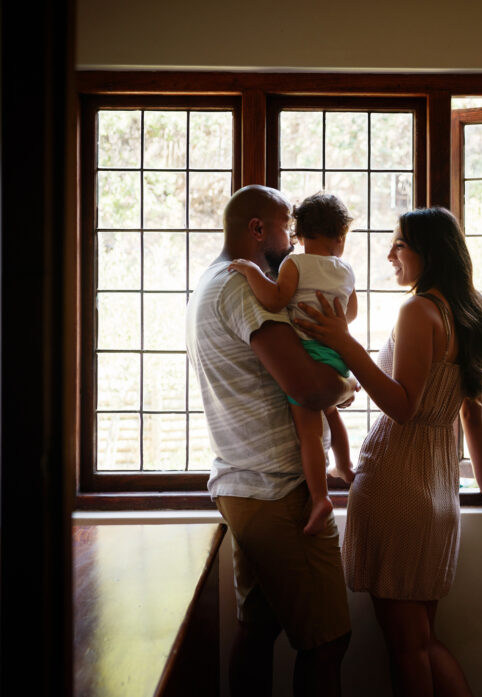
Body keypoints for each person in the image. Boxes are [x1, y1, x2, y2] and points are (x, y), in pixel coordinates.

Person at [295, 207, 482, 697]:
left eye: (398, 245)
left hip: (398, 485)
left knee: (406, 647)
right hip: (440, 491)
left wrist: (344, 342)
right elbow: (476, 413)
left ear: (429, 251)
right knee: (422, 639)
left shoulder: (418, 311)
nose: (389, 255)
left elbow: (402, 406)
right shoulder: (469, 314)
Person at [185, 184, 355, 697]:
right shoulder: (241, 287)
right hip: (278, 490)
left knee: (258, 629)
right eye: (288, 226)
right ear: (258, 229)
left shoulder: (212, 282)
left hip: (245, 486)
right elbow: (307, 386)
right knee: (328, 642)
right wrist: (345, 384)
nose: (295, 238)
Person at [227, 191, 358, 536]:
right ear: (340, 237)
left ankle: (319, 498)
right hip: (336, 355)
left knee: (310, 434)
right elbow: (351, 313)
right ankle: (345, 466)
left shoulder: (294, 264)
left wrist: (252, 271)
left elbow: (274, 299)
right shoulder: (346, 270)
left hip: (310, 354)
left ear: (298, 236)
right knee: (331, 411)